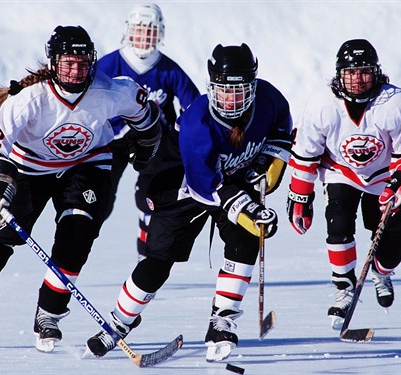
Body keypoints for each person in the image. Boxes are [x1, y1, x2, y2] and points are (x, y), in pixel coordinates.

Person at [0, 25, 161, 352]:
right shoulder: (29, 98)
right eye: (67, 63)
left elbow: (146, 113)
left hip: (86, 165)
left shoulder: (110, 91)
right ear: (52, 63)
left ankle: (49, 313)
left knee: (77, 233)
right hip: (28, 169)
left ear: (92, 61)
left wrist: (147, 139)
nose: (75, 70)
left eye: (82, 62)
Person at [84, 43, 292, 362]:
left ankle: (222, 319)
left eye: (240, 91)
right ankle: (118, 323)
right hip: (183, 177)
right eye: (224, 91)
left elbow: (281, 127)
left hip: (233, 177)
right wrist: (246, 210)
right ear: (212, 86)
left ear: (253, 86)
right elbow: (206, 186)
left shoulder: (269, 97)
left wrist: (272, 160)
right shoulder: (198, 124)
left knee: (246, 239)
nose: (231, 99)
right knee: (157, 260)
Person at [286, 39, 401, 329]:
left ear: (376, 72)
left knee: (391, 247)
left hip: (383, 176)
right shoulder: (321, 104)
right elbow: (305, 153)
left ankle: (381, 272)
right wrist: (301, 195)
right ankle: (343, 288)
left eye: (364, 71)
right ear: (339, 74)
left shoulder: (395, 102)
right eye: (351, 72)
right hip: (341, 171)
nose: (358, 79)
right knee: (337, 222)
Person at [95, 3, 200, 260]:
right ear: (128, 31)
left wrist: (185, 133)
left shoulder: (169, 70)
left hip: (155, 139)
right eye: (139, 30)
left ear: (160, 34)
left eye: (149, 31)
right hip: (114, 140)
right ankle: (76, 245)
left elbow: (195, 108)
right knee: (100, 199)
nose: (143, 38)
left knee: (151, 197)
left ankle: (147, 255)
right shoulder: (110, 64)